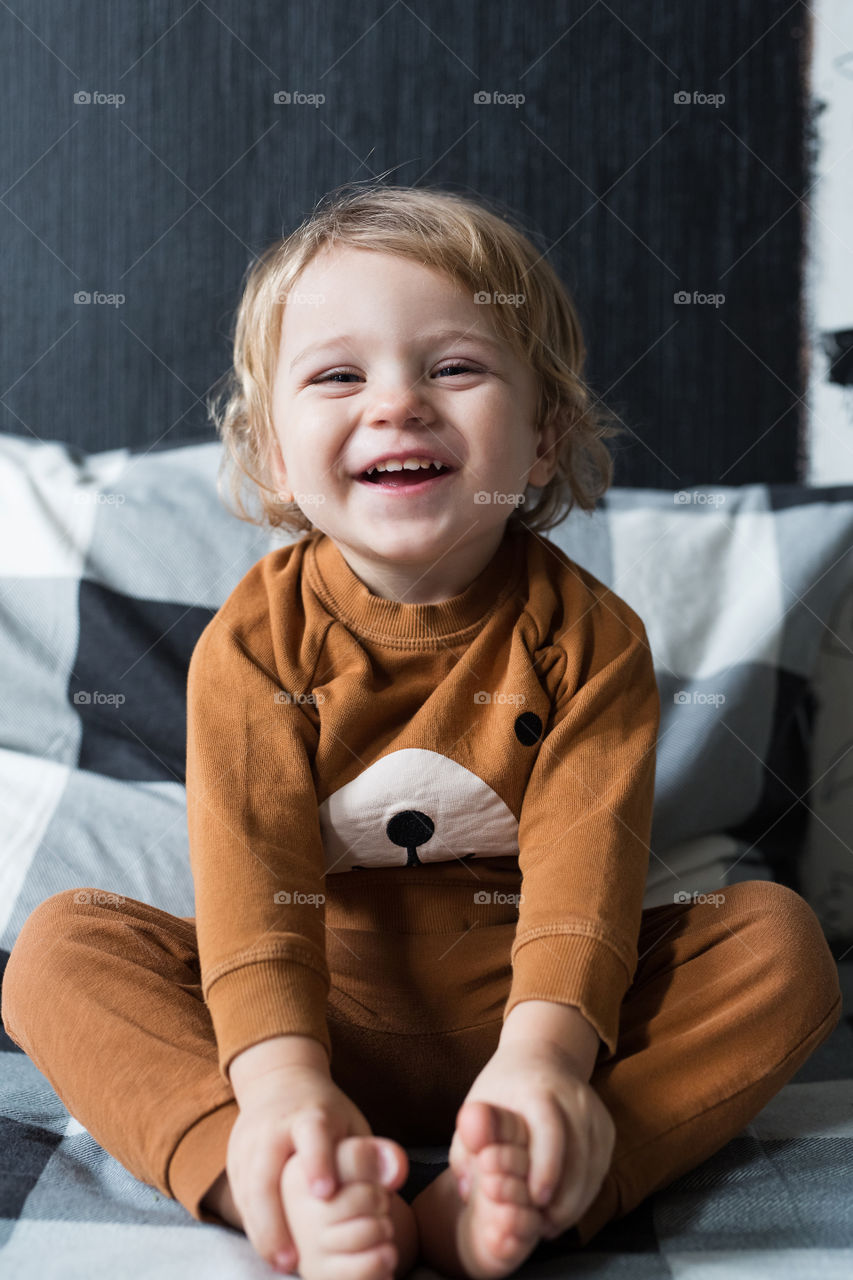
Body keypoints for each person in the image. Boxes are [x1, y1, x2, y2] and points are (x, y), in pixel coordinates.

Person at [2, 182, 841, 1280]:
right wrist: (281, 1084)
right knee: (61, 946)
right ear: (269, 456)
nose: (396, 403)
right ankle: (270, 1175)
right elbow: (253, 887)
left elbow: (584, 883)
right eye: (339, 375)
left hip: (547, 1027)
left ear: (543, 438)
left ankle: (546, 1174)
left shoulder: (588, 637)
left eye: (453, 367)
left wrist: (544, 1062)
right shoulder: (256, 640)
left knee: (778, 943)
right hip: (307, 1017)